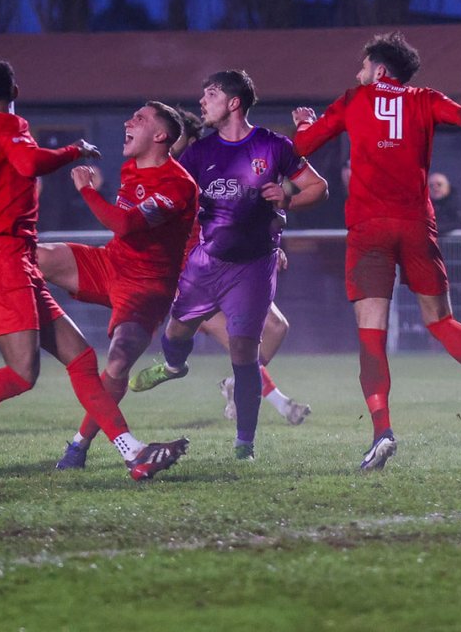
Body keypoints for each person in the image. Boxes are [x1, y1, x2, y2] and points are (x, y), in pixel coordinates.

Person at [292, 32, 461, 470]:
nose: (358, 73)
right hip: (417, 225)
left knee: (371, 335)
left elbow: (303, 147)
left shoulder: (353, 100)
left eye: (363, 66)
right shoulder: (424, 99)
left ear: (380, 70)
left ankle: (382, 431)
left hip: (369, 229)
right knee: (440, 320)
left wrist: (304, 123)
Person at [0, 59, 189, 482]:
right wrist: (74, 151)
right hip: (6, 260)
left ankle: (134, 454)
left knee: (81, 358)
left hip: (6, 257)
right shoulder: (9, 126)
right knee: (23, 373)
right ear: (15, 92)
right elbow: (28, 164)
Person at [128, 70, 328, 461]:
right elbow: (170, 198)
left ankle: (244, 446)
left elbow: (318, 187)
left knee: (245, 352)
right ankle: (172, 366)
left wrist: (286, 198)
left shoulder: (273, 145)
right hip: (206, 263)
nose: (203, 102)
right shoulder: (199, 153)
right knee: (176, 332)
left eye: (211, 94)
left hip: (253, 269)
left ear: (234, 103)